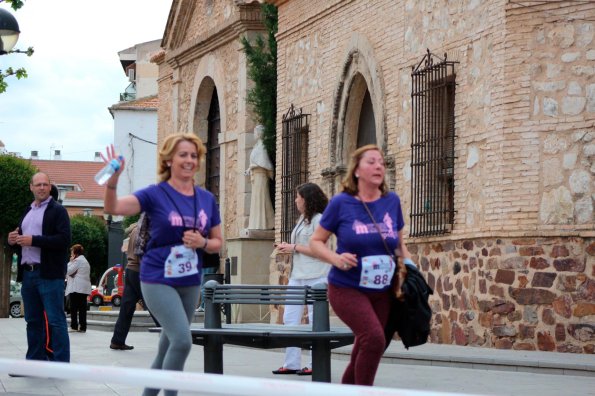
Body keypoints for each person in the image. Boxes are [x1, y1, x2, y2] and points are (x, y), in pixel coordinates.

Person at [101, 133, 222, 396]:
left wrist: (202, 242)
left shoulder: (206, 199)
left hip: (190, 280)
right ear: (168, 160)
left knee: (166, 349)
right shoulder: (155, 194)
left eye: (193, 155)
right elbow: (114, 207)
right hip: (157, 277)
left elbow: (217, 243)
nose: (189, 160)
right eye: (183, 155)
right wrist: (113, 179)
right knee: (182, 341)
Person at [310, 145, 412, 386]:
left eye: (381, 163)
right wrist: (336, 258)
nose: (378, 166)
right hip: (347, 287)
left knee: (368, 344)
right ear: (356, 170)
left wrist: (411, 268)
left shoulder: (391, 201)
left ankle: (346, 391)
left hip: (383, 291)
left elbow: (398, 244)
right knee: (373, 338)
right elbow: (316, 242)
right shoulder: (341, 203)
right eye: (371, 162)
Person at [7, 172, 71, 363]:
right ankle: (34, 362)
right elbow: (23, 239)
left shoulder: (58, 211)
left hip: (49, 274)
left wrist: (33, 240)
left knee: (56, 321)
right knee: (32, 322)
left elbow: (64, 240)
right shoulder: (28, 211)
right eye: (38, 184)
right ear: (31, 187)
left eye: (45, 184)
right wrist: (14, 240)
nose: (42, 187)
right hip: (29, 275)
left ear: (50, 187)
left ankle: (61, 364)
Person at [272, 182, 329, 376]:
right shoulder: (302, 220)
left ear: (307, 199)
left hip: (316, 276)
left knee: (316, 320)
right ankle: (291, 363)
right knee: (290, 318)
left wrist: (293, 248)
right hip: (298, 276)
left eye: (298, 197)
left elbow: (320, 251)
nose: (295, 200)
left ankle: (316, 363)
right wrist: (287, 246)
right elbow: (299, 246)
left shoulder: (319, 220)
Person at [110, 216, 159, 351]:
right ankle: (171, 337)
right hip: (140, 272)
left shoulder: (134, 231)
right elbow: (143, 255)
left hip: (131, 270)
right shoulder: (144, 232)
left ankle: (117, 341)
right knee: (156, 306)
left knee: (126, 308)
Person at [246, 124, 274, 229]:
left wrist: (252, 166)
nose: (254, 134)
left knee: (261, 199)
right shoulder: (256, 146)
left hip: (261, 177)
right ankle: (256, 225)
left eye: (255, 132)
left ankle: (263, 225)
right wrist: (250, 168)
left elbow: (265, 164)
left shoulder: (262, 146)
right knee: (256, 201)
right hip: (256, 176)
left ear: (258, 133)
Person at [65, 244, 92, 333]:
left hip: (76, 288)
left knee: (74, 308)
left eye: (72, 252)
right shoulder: (85, 261)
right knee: (82, 308)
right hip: (84, 289)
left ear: (75, 253)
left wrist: (70, 262)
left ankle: (74, 326)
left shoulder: (77, 261)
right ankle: (83, 327)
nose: (71, 254)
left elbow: (68, 271)